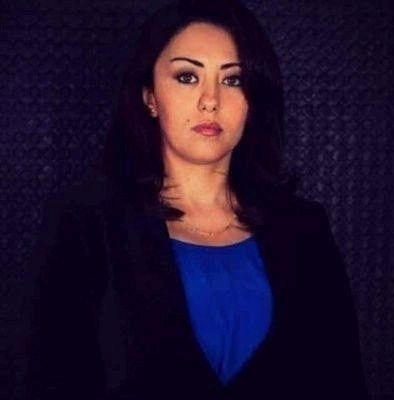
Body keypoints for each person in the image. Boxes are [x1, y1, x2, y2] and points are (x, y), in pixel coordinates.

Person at [21, 0, 370, 399]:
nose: (210, 100)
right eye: (187, 77)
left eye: (233, 79)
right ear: (150, 96)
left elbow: (342, 381)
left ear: (253, 100)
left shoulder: (304, 228)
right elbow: (50, 380)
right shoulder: (85, 222)